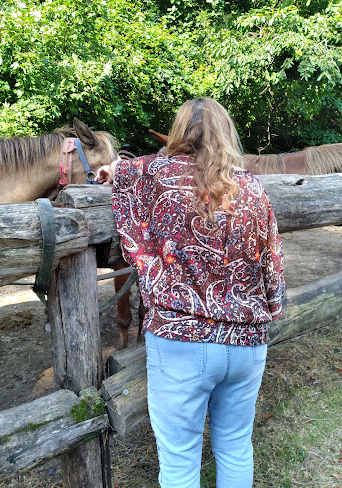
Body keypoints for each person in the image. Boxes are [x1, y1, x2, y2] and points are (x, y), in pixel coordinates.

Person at [95, 97, 285, 488]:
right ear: (226, 132)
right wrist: (272, 307)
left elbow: (122, 175)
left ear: (180, 131)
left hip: (180, 339)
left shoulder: (150, 176)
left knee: (180, 460)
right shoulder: (249, 187)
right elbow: (273, 261)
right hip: (247, 341)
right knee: (235, 445)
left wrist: (113, 170)